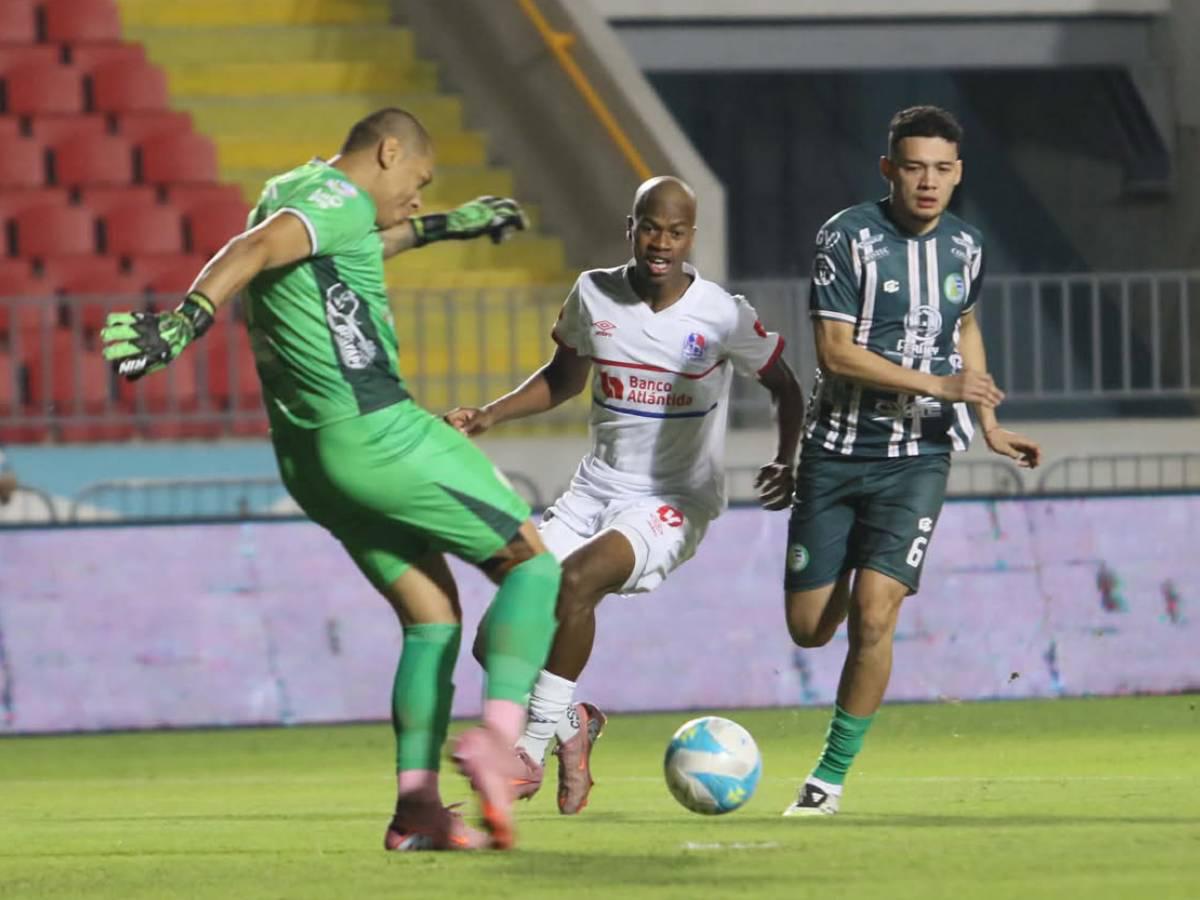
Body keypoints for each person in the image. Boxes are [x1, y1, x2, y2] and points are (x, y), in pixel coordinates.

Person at [100, 108, 562, 851]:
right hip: (377, 430)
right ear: (387, 153)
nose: (418, 197)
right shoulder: (333, 200)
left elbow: (352, 246)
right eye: (419, 181)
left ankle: (417, 808)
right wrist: (186, 320)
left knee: (432, 618)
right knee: (532, 568)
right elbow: (252, 248)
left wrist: (452, 225)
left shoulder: (304, 191)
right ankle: (500, 741)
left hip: (311, 460)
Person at [447, 176, 805, 814]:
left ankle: (528, 749)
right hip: (594, 490)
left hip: (672, 499)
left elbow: (785, 385)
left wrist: (787, 457)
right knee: (494, 639)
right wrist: (489, 415)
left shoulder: (721, 313)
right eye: (650, 227)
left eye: (674, 231)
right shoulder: (594, 292)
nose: (660, 243)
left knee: (577, 581)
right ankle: (572, 723)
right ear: (631, 227)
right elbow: (562, 379)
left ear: (691, 236)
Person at [781, 106, 1042, 816]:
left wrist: (987, 420)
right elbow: (834, 352)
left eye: (943, 169)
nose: (929, 182)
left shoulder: (966, 246)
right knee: (810, 628)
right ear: (889, 169)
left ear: (958, 175)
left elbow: (965, 325)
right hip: (835, 454)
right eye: (915, 167)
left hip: (918, 458)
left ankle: (827, 780)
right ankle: (854, 561)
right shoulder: (847, 237)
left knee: (875, 614)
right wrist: (940, 384)